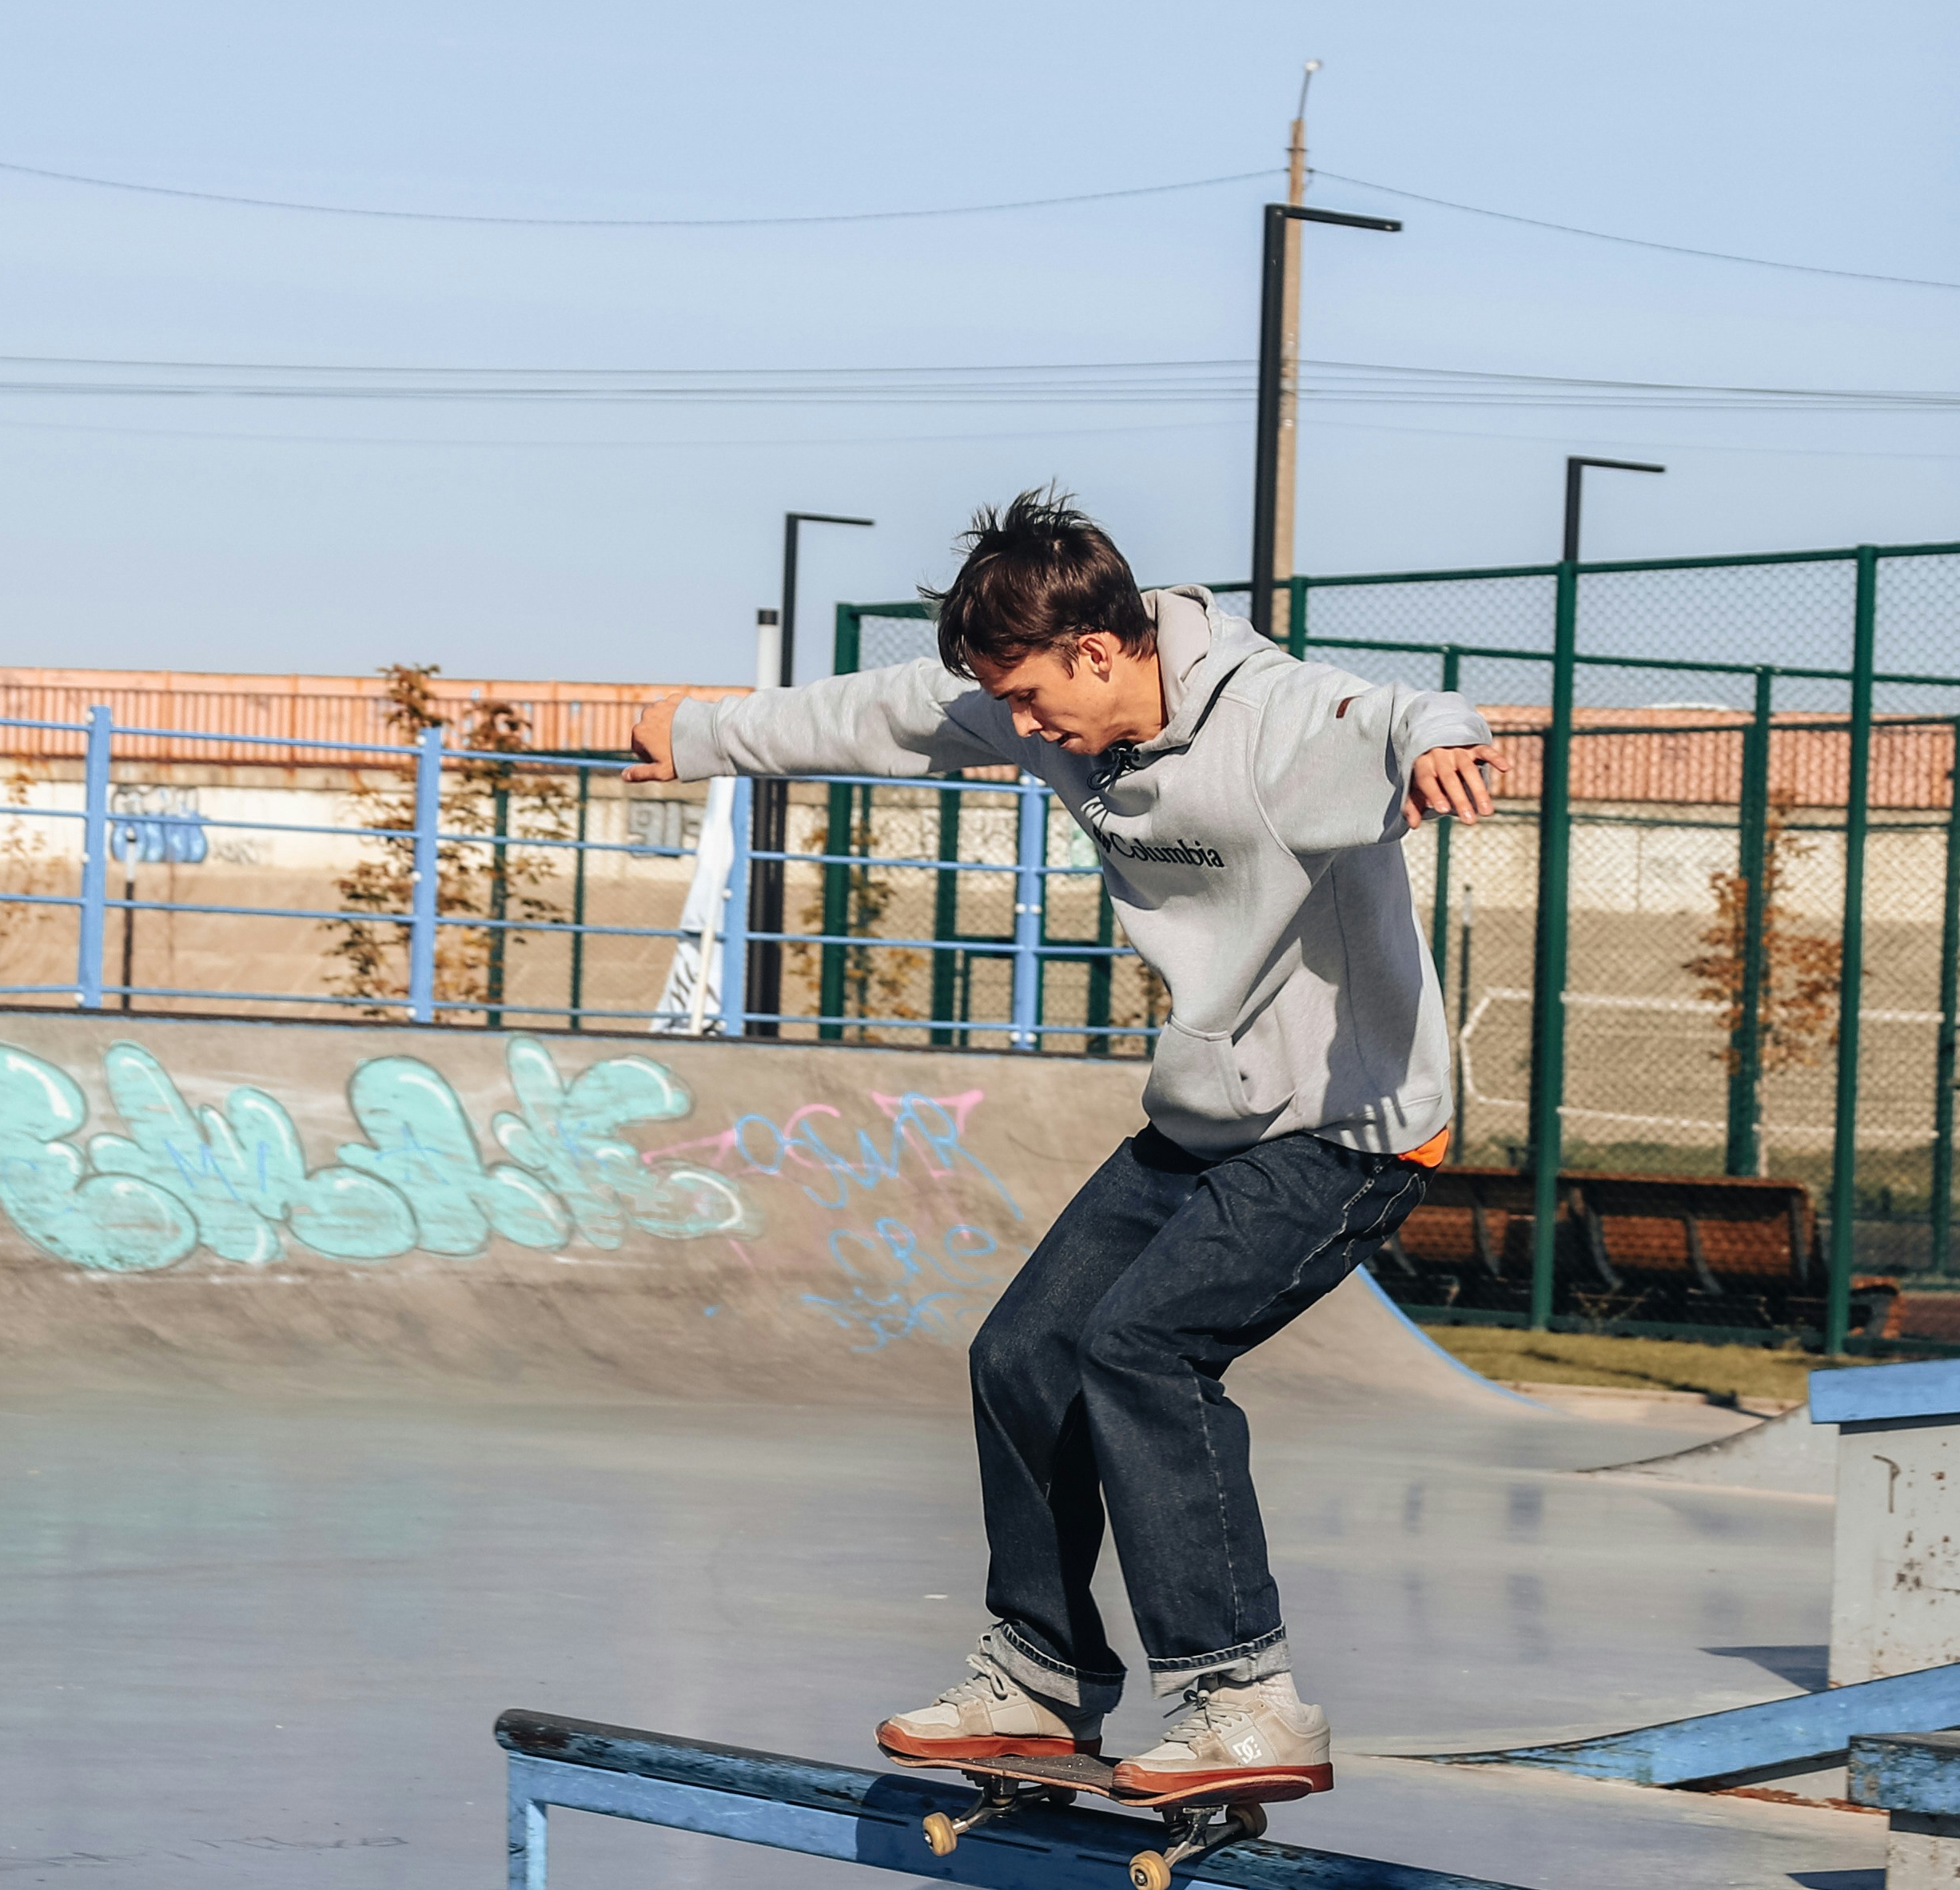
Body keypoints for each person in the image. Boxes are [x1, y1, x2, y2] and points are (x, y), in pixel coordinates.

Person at [627, 487, 1500, 1802]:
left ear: (1103, 650)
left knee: (1142, 1346)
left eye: (1036, 701)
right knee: (1023, 1352)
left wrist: (1449, 745)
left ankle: (1241, 1698)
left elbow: (1392, 714)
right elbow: (885, 713)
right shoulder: (1052, 711)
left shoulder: (1272, 725)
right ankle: (1041, 1676)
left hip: (1348, 1130)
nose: (1026, 733)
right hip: (1210, 1115)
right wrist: (702, 734)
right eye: (1012, 709)